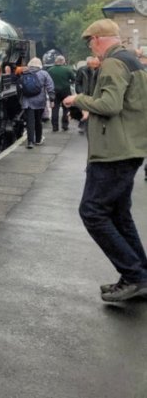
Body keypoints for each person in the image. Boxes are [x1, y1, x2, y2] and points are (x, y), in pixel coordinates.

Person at [62, 19, 147, 302]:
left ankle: (134, 275)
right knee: (119, 215)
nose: (91, 47)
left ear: (98, 38)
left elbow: (110, 106)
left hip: (113, 151)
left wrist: (79, 100)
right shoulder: (134, 62)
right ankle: (138, 276)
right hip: (130, 147)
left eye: (90, 42)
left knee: (93, 212)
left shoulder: (113, 63)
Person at [19, 57, 54, 149]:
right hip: (40, 101)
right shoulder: (44, 73)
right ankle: (38, 140)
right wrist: (52, 99)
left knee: (30, 121)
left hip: (27, 101)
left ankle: (30, 141)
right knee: (38, 120)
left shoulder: (24, 73)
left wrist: (20, 99)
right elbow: (50, 87)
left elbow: (19, 86)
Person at [47, 55, 75, 132]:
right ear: (63, 61)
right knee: (66, 108)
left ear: (56, 61)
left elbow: (47, 81)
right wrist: (68, 82)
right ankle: (65, 125)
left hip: (54, 91)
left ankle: (55, 127)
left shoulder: (50, 70)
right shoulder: (67, 70)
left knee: (54, 109)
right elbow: (73, 79)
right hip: (65, 91)